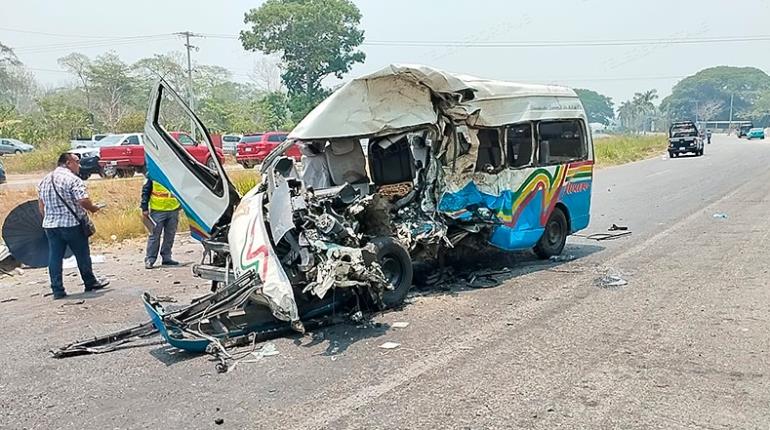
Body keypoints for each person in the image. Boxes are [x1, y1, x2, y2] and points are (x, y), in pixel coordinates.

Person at [37, 153, 109, 299]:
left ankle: (57, 290)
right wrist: (93, 208)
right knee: (82, 254)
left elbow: (41, 205)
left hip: (51, 225)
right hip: (71, 224)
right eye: (77, 162)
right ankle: (90, 282)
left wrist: (49, 220)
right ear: (68, 163)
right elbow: (82, 200)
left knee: (55, 257)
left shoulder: (44, 180)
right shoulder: (72, 179)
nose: (79, 165)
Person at [140, 177, 181, 269]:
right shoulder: (152, 174)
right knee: (154, 235)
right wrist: (144, 207)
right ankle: (150, 259)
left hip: (173, 209)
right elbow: (145, 191)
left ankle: (166, 258)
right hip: (157, 210)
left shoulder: (173, 173)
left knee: (170, 236)